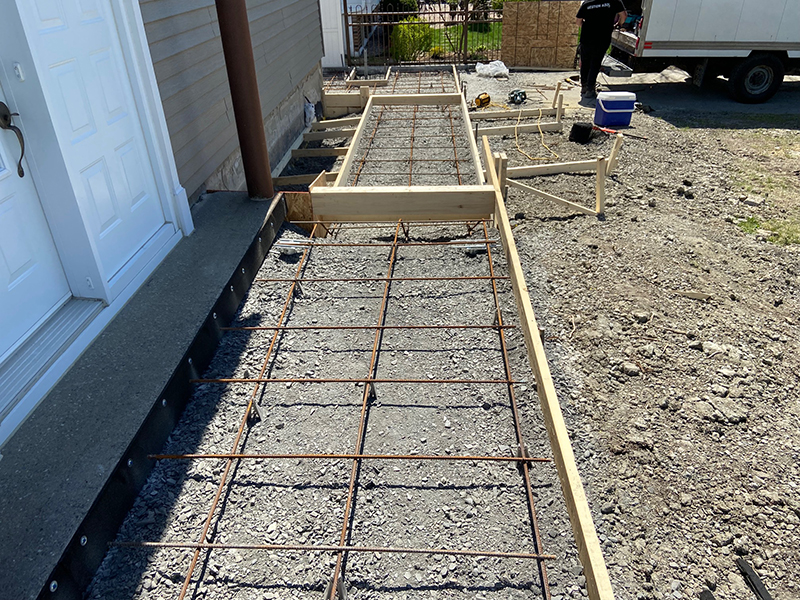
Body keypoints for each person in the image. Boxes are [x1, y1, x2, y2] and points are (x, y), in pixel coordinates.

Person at [576, 0, 627, 99]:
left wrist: (588, 27)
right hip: (603, 37)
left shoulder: (587, 3)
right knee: (595, 62)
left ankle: (584, 86)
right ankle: (590, 89)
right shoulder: (615, 2)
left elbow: (578, 21)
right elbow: (624, 15)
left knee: (585, 61)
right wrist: (617, 24)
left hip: (587, 37)